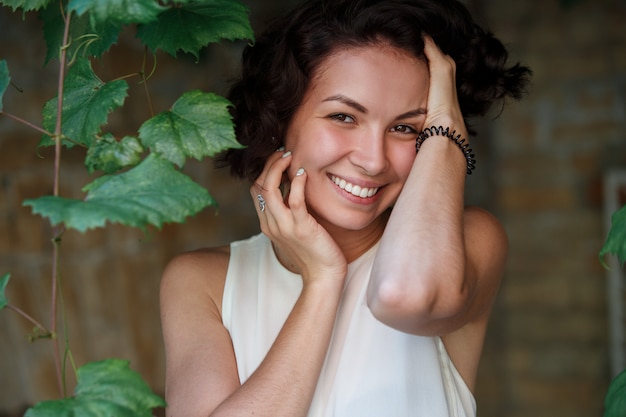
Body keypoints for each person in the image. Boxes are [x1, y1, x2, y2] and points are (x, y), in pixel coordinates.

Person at [160, 0, 531, 416]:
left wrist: (446, 127)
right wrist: (322, 280)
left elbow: (404, 295)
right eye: (344, 117)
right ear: (281, 119)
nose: (373, 160)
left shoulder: (467, 243)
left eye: (407, 127)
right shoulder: (202, 282)